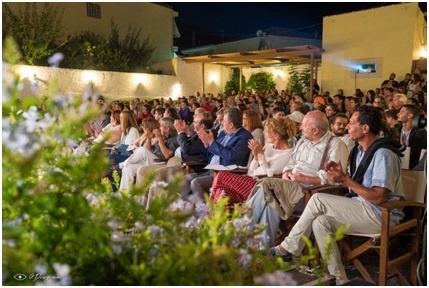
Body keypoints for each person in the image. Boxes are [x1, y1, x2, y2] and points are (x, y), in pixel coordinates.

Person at [270, 105, 404, 285]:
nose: (347, 126)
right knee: (320, 222)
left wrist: (345, 180)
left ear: (365, 128)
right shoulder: (359, 151)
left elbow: (379, 197)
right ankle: (340, 280)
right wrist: (340, 177)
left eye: (352, 123)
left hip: (382, 213)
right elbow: (356, 186)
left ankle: (289, 247)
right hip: (362, 207)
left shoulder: (383, 154)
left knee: (318, 199)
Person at [246, 110, 349, 247]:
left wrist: (305, 179)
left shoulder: (336, 145)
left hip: (312, 194)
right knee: (271, 200)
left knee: (267, 188)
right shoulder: (303, 142)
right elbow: (290, 163)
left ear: (315, 130)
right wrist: (286, 172)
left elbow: (336, 178)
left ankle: (238, 232)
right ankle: (262, 250)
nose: (300, 127)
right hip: (288, 188)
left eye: (304, 125)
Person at [211, 117, 297, 205]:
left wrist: (260, 155)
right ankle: (215, 216)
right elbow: (250, 172)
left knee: (221, 176)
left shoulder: (288, 154)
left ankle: (208, 213)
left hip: (263, 188)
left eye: (267, 131)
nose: (264, 134)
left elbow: (269, 176)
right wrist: (256, 157)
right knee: (222, 192)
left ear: (276, 135)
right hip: (251, 181)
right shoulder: (268, 146)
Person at [184, 108, 253, 203]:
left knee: (196, 183)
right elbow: (210, 154)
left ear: (231, 125)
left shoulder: (245, 137)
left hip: (226, 175)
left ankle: (205, 212)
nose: (220, 123)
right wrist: (206, 143)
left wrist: (212, 142)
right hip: (211, 170)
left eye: (224, 121)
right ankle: (186, 211)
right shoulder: (223, 134)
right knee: (184, 179)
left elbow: (231, 156)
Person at [118, 117, 179, 191]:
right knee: (128, 169)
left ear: (167, 129)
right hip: (152, 160)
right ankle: (125, 196)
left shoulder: (175, 138)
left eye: (161, 126)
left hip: (162, 163)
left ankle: (123, 163)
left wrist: (159, 138)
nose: (159, 127)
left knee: (142, 150)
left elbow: (167, 155)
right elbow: (149, 150)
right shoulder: (163, 136)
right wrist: (149, 139)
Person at [396, 104, 427, 169]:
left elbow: (416, 156)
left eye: (402, 112)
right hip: (398, 161)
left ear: (410, 115)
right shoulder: (397, 129)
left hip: (412, 166)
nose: (397, 114)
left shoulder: (420, 133)